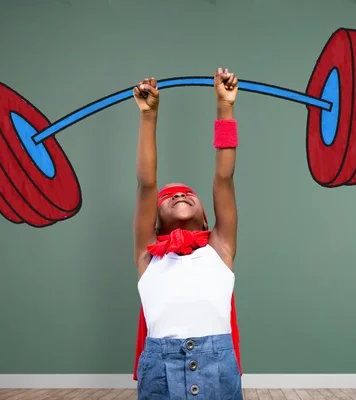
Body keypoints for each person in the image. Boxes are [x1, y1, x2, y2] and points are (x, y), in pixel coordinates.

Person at [131, 68, 243, 399]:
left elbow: (224, 177)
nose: (179, 195)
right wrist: (149, 116)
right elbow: (146, 183)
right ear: (155, 220)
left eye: (186, 193)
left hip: (218, 369)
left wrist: (225, 106)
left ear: (207, 216)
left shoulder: (220, 248)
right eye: (168, 197)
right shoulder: (147, 254)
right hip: (159, 372)